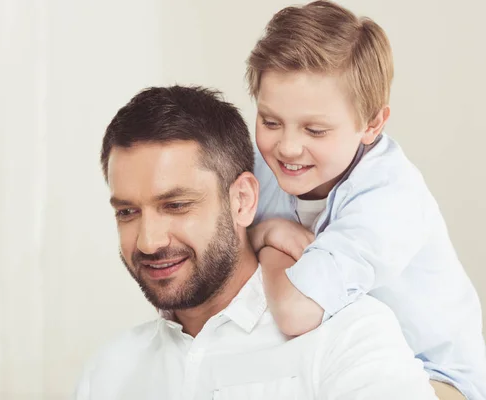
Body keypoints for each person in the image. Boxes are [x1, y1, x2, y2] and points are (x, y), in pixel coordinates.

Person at [75, 85, 436, 399]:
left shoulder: (348, 336)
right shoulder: (109, 372)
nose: (149, 241)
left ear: (243, 200)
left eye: (177, 205)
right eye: (127, 212)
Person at [245, 1, 486, 399]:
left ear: (372, 124)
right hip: (335, 353)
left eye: (315, 130)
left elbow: (294, 311)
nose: (287, 147)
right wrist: (260, 234)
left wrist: (267, 236)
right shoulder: (260, 166)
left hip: (436, 378)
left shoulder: (392, 198)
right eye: (270, 122)